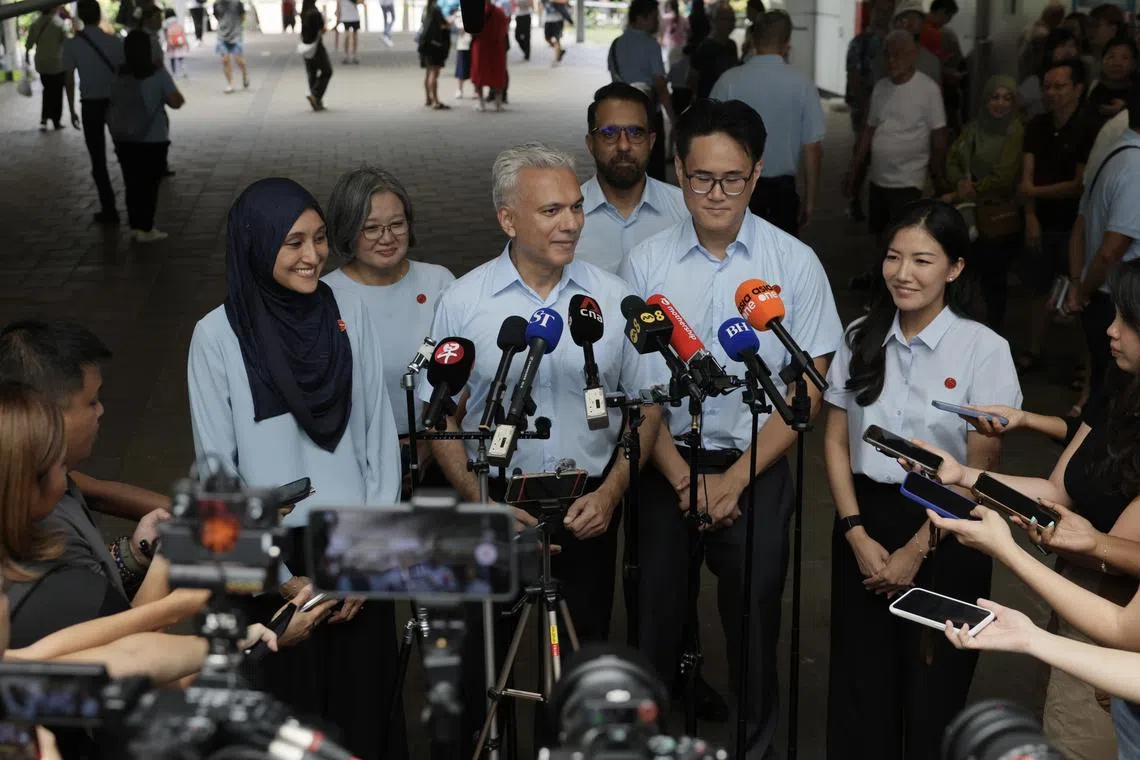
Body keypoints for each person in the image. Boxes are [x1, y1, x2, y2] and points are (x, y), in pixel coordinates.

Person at [421, 141, 663, 756]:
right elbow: (440, 415)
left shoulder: (611, 298)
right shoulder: (465, 302)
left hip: (587, 509)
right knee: (481, 671)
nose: (572, 223)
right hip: (497, 507)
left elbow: (648, 406)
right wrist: (480, 500)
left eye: (576, 207)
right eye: (551, 211)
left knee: (580, 671)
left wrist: (611, 493)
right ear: (508, 219)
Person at [620, 98, 843, 760]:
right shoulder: (645, 263)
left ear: (757, 174)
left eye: (732, 179)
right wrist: (683, 480)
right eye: (701, 178)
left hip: (758, 465)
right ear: (678, 171)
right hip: (664, 464)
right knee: (654, 623)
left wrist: (733, 482)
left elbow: (808, 387)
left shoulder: (793, 263)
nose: (716, 194)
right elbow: (639, 388)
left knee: (755, 625)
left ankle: (756, 748)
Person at [187, 177, 407, 760]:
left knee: (364, 721)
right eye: (293, 243)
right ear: (256, 245)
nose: (313, 256)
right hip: (270, 568)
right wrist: (285, 580)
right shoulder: (215, 337)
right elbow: (218, 474)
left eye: (320, 239)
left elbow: (379, 440)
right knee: (286, 732)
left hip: (353, 554)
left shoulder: (349, 313)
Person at [910, 268, 1140, 760]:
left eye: (1127, 319)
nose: (1110, 329)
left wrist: (1007, 549)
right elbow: (1056, 491)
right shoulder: (1120, 387)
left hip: (1106, 607)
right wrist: (962, 475)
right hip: (1073, 591)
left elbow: (1123, 612)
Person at [823, 200, 1021, 760]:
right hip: (864, 522)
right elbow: (836, 442)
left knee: (935, 694)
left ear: (955, 268)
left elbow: (980, 471)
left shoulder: (984, 350)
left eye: (922, 260)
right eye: (893, 257)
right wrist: (855, 532)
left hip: (948, 529)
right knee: (862, 688)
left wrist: (916, 550)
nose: (903, 273)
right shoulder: (861, 335)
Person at [322, 166, 456, 490]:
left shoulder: (440, 282)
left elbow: (465, 379)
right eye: (371, 228)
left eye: (397, 224)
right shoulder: (324, 297)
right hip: (353, 464)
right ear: (347, 230)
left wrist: (431, 446)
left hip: (439, 452)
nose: (387, 237)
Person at [845, 30, 947, 286]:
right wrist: (854, 171)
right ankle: (880, 283)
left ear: (913, 55)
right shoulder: (881, 88)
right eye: (888, 55)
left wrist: (938, 179)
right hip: (879, 178)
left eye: (898, 55)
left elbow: (939, 138)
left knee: (903, 241)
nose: (892, 61)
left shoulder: (928, 89)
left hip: (909, 181)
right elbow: (868, 132)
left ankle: (896, 290)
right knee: (880, 235)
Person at [711, 9, 826, 236]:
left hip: (737, 187)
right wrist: (810, 199)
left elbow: (710, 137)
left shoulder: (729, 81)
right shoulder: (802, 84)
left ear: (753, 38)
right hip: (783, 191)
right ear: (787, 41)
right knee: (781, 252)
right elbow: (813, 148)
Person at [1018, 59, 1095, 385]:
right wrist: (1030, 215)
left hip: (1075, 225)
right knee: (1038, 289)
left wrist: (1034, 192)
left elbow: (1079, 185)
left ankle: (1083, 364)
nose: (1051, 93)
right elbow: (1026, 177)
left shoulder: (1089, 128)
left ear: (1078, 89)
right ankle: (1034, 350)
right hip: (1042, 220)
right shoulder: (1037, 125)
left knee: (1077, 293)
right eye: (1047, 86)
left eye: (1059, 86)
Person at [1066, 86, 1140, 411]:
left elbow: (1080, 225)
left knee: (1102, 392)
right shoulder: (1136, 167)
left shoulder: (1111, 154)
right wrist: (1082, 291)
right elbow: (1112, 250)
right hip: (1117, 300)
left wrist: (1078, 284)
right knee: (1113, 402)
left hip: (1097, 295)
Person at [574, 83, 687, 274]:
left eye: (636, 133)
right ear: (590, 143)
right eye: (609, 133)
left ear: (651, 142)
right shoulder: (564, 219)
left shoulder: (685, 211)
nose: (624, 146)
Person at [944, 75, 1024, 331]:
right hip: (969, 214)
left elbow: (1005, 176)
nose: (1000, 104)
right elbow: (953, 158)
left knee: (993, 278)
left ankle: (992, 332)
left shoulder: (1015, 131)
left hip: (997, 216)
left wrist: (970, 190)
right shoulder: (974, 127)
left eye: (1007, 98)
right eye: (994, 97)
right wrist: (959, 182)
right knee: (964, 273)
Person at [110, 30, 184, 244]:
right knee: (149, 185)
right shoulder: (158, 74)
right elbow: (176, 101)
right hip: (153, 138)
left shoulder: (118, 74)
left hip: (124, 137)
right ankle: (146, 227)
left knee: (131, 182)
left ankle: (135, 225)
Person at [62, 0, 125, 226]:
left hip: (90, 105)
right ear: (99, 16)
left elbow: (69, 80)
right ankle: (136, 206)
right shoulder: (115, 42)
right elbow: (124, 74)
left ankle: (109, 208)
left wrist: (71, 109)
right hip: (115, 102)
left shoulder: (72, 45)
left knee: (97, 159)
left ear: (79, 16)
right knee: (125, 152)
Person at [607, 0, 675, 182]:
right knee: (653, 171)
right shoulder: (651, 45)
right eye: (654, 17)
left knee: (627, 165)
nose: (657, 22)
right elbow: (660, 86)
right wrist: (673, 119)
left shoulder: (616, 44)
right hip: (649, 115)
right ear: (641, 18)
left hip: (620, 114)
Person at [844, 0, 892, 222]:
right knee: (862, 154)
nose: (883, 15)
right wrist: (865, 107)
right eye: (880, 10)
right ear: (871, 11)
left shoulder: (894, 40)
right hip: (864, 107)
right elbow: (853, 76)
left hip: (890, 108)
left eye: (888, 10)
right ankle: (853, 197)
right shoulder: (860, 42)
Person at [26, 7, 76, 131]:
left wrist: (26, 58)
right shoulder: (59, 23)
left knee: (47, 89)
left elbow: (29, 44)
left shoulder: (35, 23)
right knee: (57, 92)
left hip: (41, 63)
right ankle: (56, 121)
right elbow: (67, 41)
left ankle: (44, 118)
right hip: (57, 63)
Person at [871, 0, 941, 87]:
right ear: (895, 24)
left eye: (915, 18)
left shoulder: (931, 61)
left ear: (922, 23)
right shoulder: (883, 60)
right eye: (905, 18)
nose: (910, 23)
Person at [1018, 27, 1081, 122]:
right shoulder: (1035, 81)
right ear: (1050, 51)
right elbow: (1012, 105)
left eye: (1072, 45)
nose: (1068, 51)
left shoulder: (1081, 77)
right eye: (1062, 45)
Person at [1085, 35, 1137, 131]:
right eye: (1111, 56)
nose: (1117, 63)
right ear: (1102, 61)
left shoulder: (1136, 92)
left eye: (1125, 58)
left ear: (1134, 64)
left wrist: (1124, 110)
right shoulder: (1094, 88)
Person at [687, 1, 736, 101]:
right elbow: (692, 77)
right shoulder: (704, 47)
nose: (730, 23)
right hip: (709, 101)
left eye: (732, 19)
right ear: (714, 21)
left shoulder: (732, 45)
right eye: (725, 19)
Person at [471, 0, 508, 112]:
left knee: (479, 75)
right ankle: (498, 104)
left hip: (480, 47)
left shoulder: (476, 12)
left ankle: (481, 103)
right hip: (496, 47)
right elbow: (504, 28)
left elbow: (472, 29)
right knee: (497, 74)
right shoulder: (499, 12)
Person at [417, 0, 451, 110]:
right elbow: (445, 24)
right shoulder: (436, 10)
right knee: (434, 72)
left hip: (424, 43)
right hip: (434, 45)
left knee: (428, 72)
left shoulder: (426, 9)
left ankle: (428, 98)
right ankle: (436, 101)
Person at [300, 0, 332, 111]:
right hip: (316, 47)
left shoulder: (304, 12)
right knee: (327, 71)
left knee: (312, 72)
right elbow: (322, 29)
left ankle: (316, 100)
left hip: (305, 46)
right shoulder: (315, 12)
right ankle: (316, 95)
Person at [213, 0, 249, 93]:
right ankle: (230, 84)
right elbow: (217, 16)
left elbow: (243, 16)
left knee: (238, 60)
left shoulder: (237, 3)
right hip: (222, 35)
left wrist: (238, 27)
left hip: (236, 34)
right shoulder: (216, 4)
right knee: (225, 60)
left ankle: (245, 74)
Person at [659, 0, 687, 66]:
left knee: (668, 66)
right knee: (678, 66)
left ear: (669, 7)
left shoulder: (664, 18)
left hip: (667, 45)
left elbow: (661, 31)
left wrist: (660, 40)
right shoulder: (683, 18)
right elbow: (687, 31)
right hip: (680, 46)